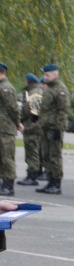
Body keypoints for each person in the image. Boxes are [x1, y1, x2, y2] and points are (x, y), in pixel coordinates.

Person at [35, 64, 70, 195]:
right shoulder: (48, 88)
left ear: (55, 74)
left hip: (54, 128)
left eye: (47, 75)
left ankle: (56, 183)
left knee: (55, 156)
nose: (45, 77)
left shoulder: (60, 89)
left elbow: (63, 110)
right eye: (44, 75)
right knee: (46, 155)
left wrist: (59, 128)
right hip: (46, 127)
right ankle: (50, 180)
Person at [16, 73, 45, 186]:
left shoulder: (33, 93)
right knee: (34, 150)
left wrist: (20, 119)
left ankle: (32, 175)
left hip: (32, 126)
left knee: (32, 151)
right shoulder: (35, 91)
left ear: (28, 82)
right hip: (33, 126)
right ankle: (33, 173)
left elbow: (30, 111)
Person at [0, 62, 18, 196]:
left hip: (6, 129)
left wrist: (17, 123)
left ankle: (9, 185)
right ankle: (4, 182)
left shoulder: (6, 88)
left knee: (7, 157)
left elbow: (13, 108)